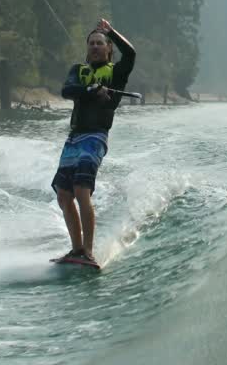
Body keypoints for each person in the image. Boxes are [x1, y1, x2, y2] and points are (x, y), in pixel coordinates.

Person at [51, 18, 135, 267]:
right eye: (92, 44)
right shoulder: (78, 71)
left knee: (80, 189)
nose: (96, 47)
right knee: (63, 195)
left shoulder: (116, 74)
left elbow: (130, 53)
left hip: (96, 136)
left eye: (100, 43)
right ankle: (76, 250)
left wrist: (112, 32)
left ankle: (87, 251)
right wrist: (89, 90)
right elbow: (67, 91)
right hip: (74, 137)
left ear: (109, 49)